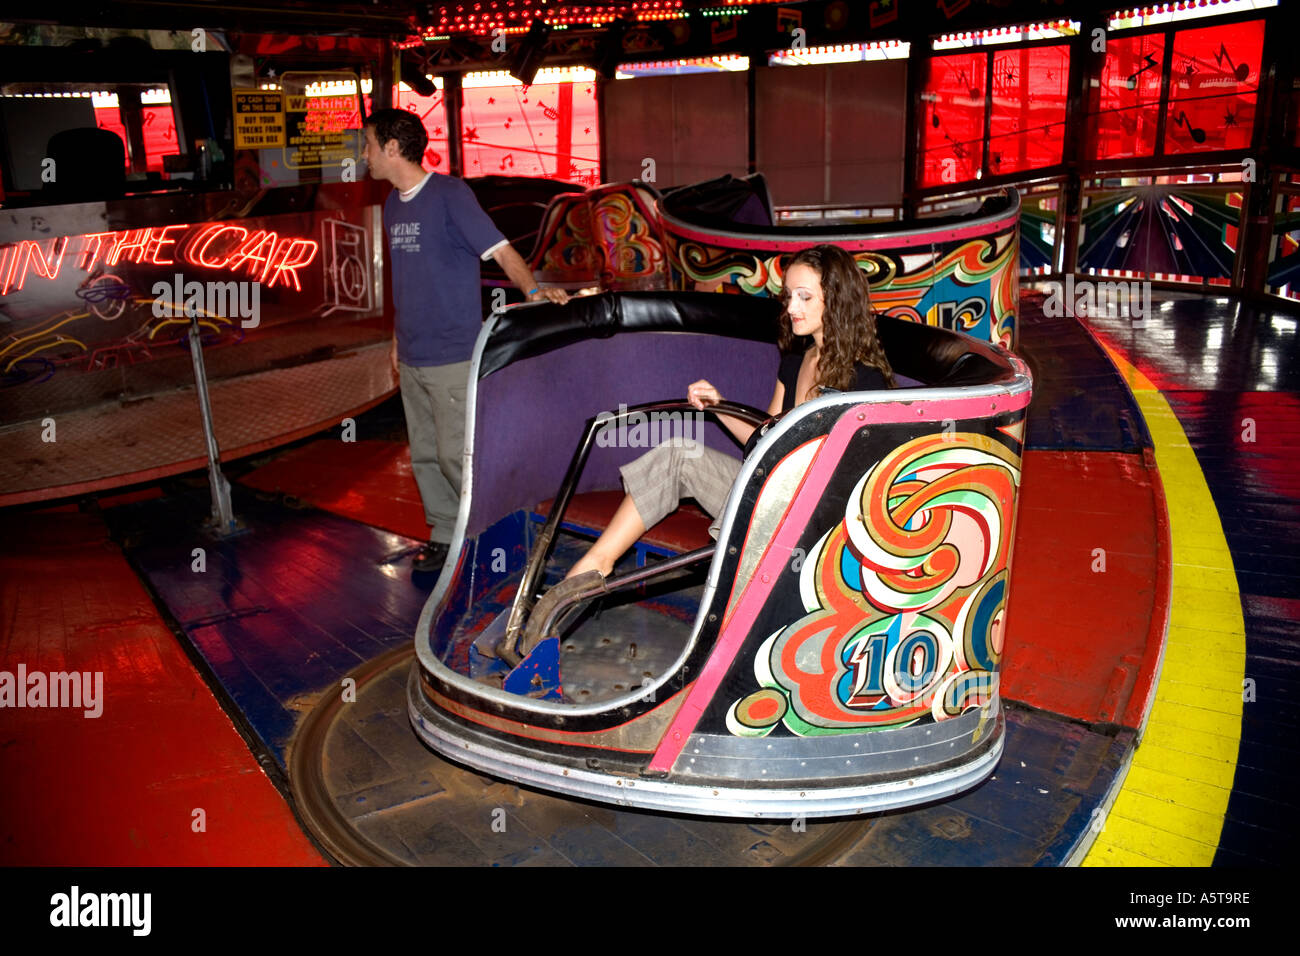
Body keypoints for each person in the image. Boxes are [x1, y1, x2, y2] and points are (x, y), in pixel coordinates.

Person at [558, 243, 894, 591]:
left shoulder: (865, 382)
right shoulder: (796, 360)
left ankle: (732, 607)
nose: (792, 307)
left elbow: (856, 483)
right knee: (679, 454)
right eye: (789, 295)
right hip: (769, 487)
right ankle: (597, 564)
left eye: (804, 297)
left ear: (837, 301)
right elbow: (766, 437)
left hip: (814, 516)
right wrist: (719, 405)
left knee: (756, 499)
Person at [362, 108, 569, 571]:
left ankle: (494, 533)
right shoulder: (394, 204)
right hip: (413, 354)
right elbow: (405, 280)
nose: (366, 155)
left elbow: (501, 251)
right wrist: (397, 339)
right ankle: (443, 531)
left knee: (459, 456)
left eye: (370, 144)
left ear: (393, 148)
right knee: (427, 454)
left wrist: (534, 293)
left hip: (452, 355)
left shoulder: (451, 195)